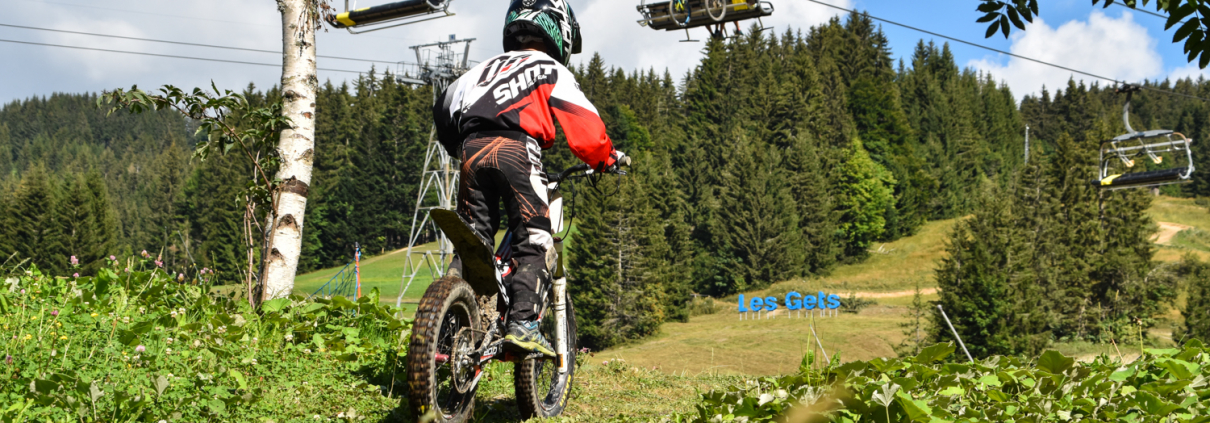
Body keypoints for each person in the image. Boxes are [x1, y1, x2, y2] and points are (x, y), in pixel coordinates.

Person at [433, 0, 624, 357]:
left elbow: (443, 110)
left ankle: (449, 324)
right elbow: (587, 131)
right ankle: (523, 324)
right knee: (534, 240)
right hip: (518, 151)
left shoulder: (480, 70)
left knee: (474, 243)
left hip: (471, 152)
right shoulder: (549, 67)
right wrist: (606, 159)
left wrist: (458, 148)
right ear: (560, 30)